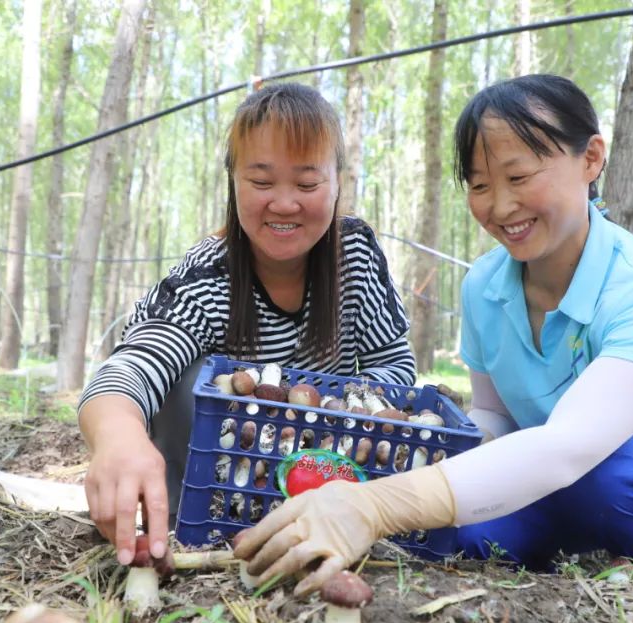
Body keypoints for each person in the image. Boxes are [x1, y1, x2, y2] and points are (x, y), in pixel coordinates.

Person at [234, 74, 633, 595]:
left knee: (615, 477)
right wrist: (426, 454)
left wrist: (374, 505)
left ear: (590, 158)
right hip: (553, 469)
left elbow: (568, 447)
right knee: (468, 535)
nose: (500, 207)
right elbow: (495, 417)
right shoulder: (486, 285)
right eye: (480, 186)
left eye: (520, 177)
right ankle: (577, 535)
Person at [80, 83, 416, 567]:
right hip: (220, 481)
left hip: (332, 475)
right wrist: (117, 437)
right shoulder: (208, 276)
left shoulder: (355, 256)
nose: (284, 204)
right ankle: (182, 525)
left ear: (338, 182)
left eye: (306, 184)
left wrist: (341, 410)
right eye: (261, 182)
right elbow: (134, 366)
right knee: (186, 377)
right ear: (233, 182)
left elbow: (393, 360)